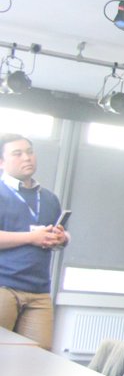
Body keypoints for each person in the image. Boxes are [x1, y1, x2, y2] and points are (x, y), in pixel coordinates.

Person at [0, 133, 68, 349]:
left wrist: (61, 238)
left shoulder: (49, 198)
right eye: (17, 154)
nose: (27, 158)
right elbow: (34, 237)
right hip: (4, 287)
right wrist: (32, 237)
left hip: (39, 291)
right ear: (1, 162)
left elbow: (56, 238)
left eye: (29, 152)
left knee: (38, 361)